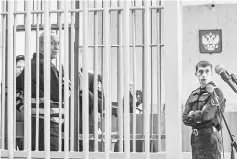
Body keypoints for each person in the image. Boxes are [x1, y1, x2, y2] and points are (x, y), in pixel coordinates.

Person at [16, 32, 65, 151]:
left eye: (58, 44)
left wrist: (21, 106)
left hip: (33, 122)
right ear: (42, 46)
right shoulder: (46, 66)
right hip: (50, 123)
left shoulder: (30, 65)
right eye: (53, 43)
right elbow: (61, 95)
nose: (57, 47)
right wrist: (67, 82)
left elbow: (13, 88)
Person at [182, 60, 225, 159]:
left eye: (207, 71)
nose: (204, 75)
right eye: (201, 72)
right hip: (196, 138)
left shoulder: (216, 92)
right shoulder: (193, 94)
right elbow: (184, 118)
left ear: (211, 74)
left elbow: (207, 115)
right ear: (196, 74)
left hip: (210, 138)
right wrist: (200, 114)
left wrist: (192, 114)